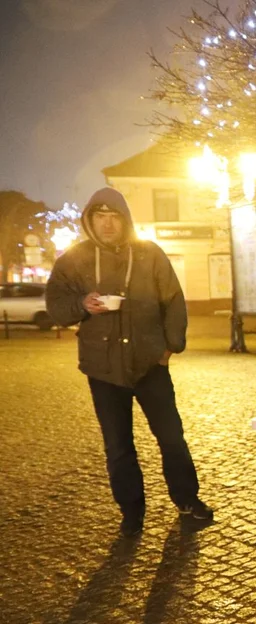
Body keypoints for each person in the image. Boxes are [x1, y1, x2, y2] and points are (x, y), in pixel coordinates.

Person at [45, 187, 213, 537]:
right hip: (103, 370)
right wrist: (81, 304)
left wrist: (169, 349)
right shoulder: (74, 258)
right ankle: (131, 510)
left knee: (171, 437)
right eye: (100, 217)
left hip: (150, 364)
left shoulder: (150, 254)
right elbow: (56, 306)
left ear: (125, 219)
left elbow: (174, 301)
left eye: (114, 217)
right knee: (118, 445)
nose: (107, 224)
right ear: (90, 219)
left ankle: (187, 499)